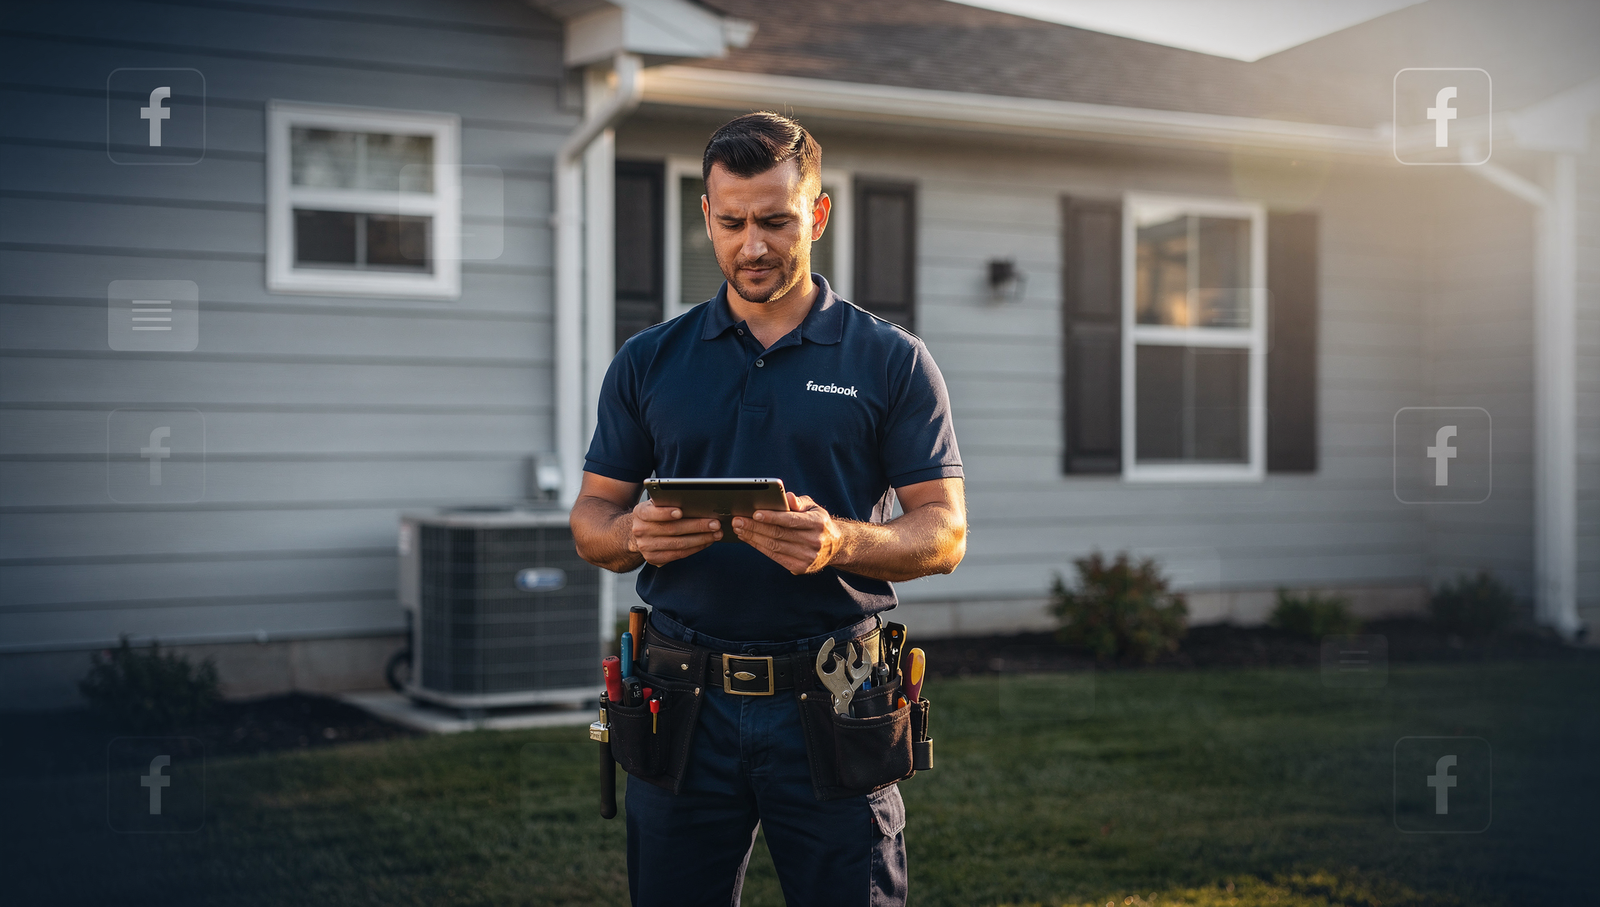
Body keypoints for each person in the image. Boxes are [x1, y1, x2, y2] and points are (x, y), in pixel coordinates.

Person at [570, 111, 966, 907]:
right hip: (679, 696)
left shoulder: (890, 360)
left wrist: (838, 540)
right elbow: (592, 520)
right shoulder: (650, 360)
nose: (754, 245)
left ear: (816, 215)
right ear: (708, 217)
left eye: (777, 221)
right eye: (734, 221)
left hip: (838, 693)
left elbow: (943, 530)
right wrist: (631, 535)